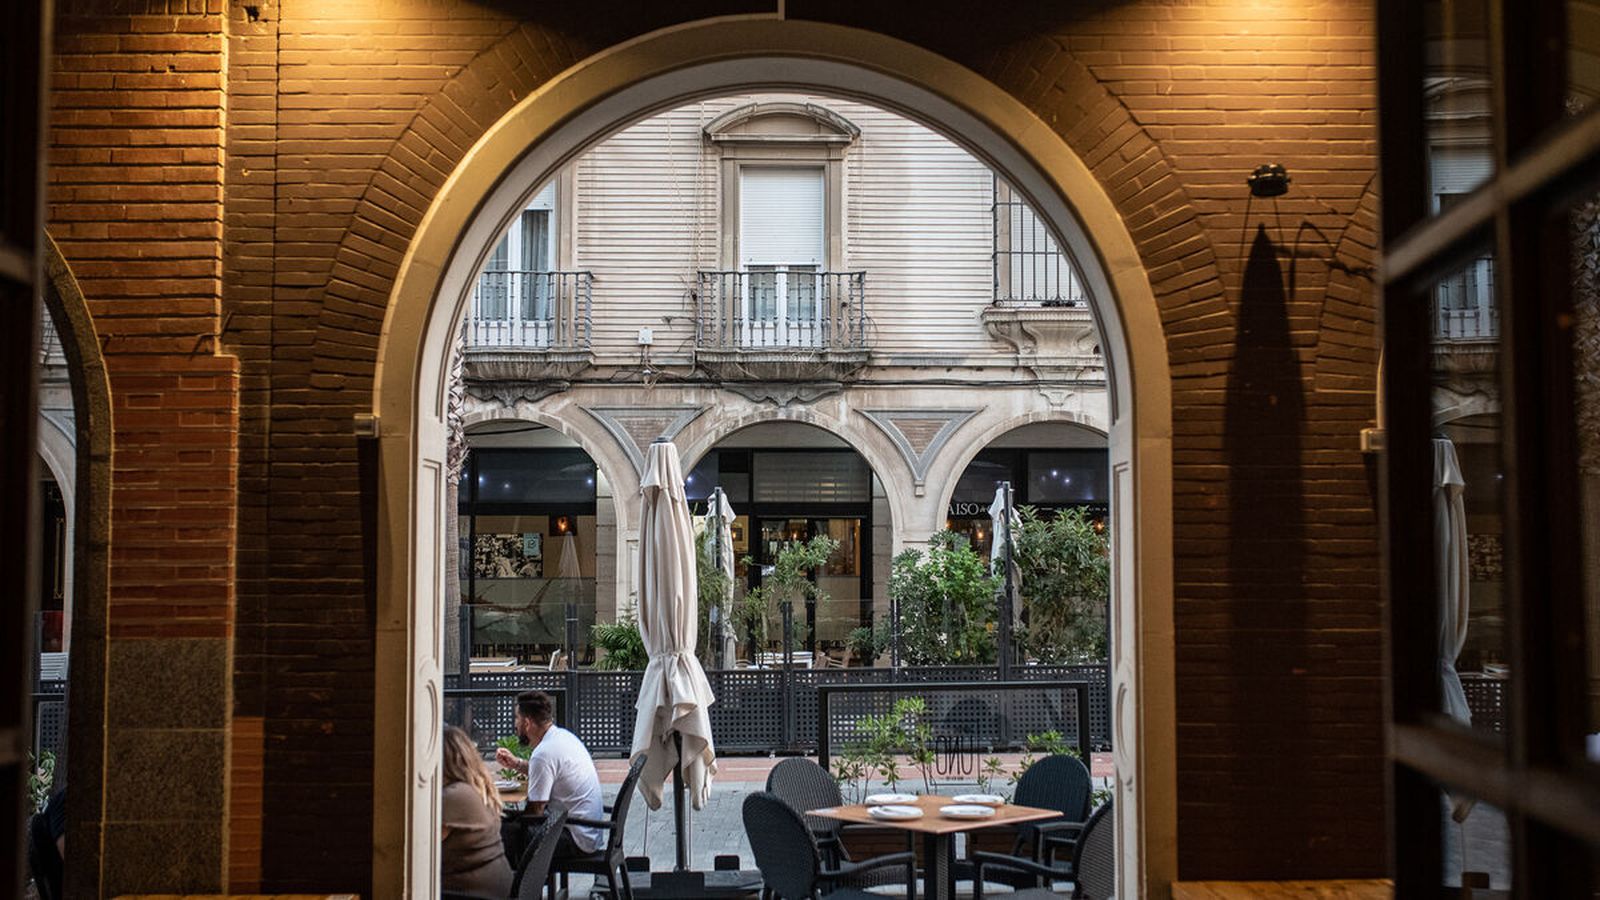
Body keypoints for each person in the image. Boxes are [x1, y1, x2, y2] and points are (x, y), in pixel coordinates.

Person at [495, 690, 605, 859]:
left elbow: (535, 812)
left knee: (500, 834)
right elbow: (546, 772)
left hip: (574, 839)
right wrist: (516, 764)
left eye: (517, 718)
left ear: (527, 723)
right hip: (587, 832)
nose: (515, 725)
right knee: (506, 823)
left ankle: (520, 884)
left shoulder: (543, 753)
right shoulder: (562, 737)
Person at [440, 725, 514, 898]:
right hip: (494, 885)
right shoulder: (477, 788)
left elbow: (420, 846)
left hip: (470, 891)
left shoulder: (454, 796)